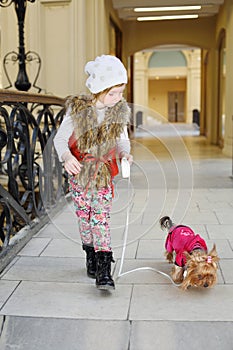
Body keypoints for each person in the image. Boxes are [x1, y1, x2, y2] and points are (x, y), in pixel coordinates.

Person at [54, 55, 133, 290]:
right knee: (85, 218)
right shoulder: (78, 110)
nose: (118, 98)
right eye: (113, 93)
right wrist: (67, 157)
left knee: (100, 219)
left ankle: (104, 268)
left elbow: (122, 140)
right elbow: (60, 140)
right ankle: (90, 254)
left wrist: (125, 154)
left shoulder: (117, 113)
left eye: (120, 92)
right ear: (98, 89)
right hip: (80, 175)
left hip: (103, 175)